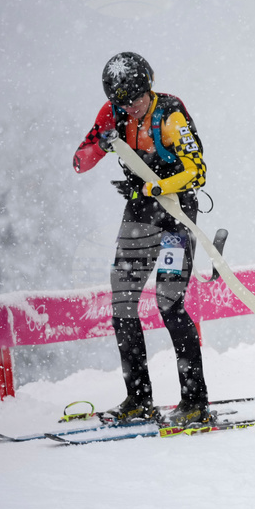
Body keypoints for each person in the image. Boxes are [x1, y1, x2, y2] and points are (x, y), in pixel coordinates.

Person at [73, 52, 211, 427]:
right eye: (122, 103)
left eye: (134, 100)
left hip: (176, 217)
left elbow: (197, 172)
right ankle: (138, 398)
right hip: (139, 216)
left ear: (147, 88)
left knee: (169, 302)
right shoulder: (113, 112)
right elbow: (80, 161)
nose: (129, 109)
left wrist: (159, 185)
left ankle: (195, 402)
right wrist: (101, 143)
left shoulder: (169, 115)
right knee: (122, 304)